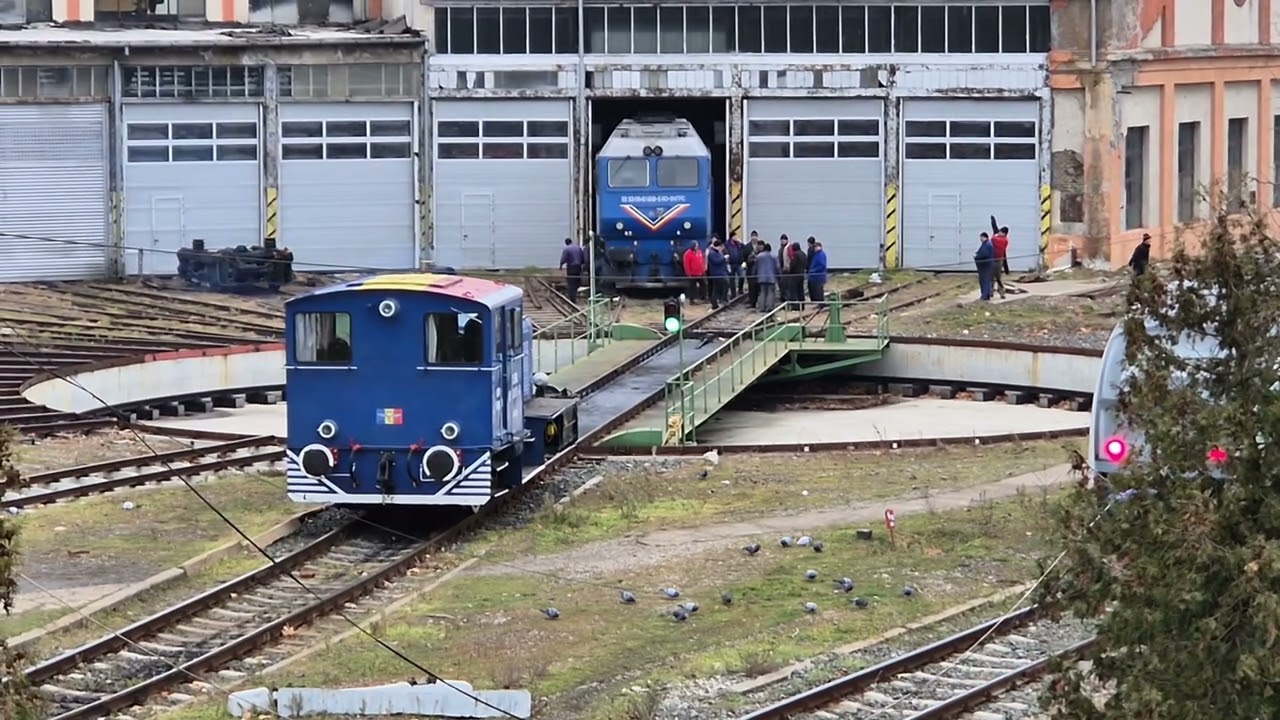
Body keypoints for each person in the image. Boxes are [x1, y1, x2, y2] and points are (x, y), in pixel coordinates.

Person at [558, 237, 586, 303]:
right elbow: (583, 258)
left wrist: (561, 266)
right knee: (576, 282)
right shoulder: (578, 248)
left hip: (571, 267)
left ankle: (572, 298)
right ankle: (574, 296)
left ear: (566, 243)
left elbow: (563, 259)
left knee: (571, 283)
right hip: (578, 267)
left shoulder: (567, 249)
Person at [755, 242, 779, 311]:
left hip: (761, 277)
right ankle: (769, 307)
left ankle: (762, 307)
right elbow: (777, 267)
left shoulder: (759, 256)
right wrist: (778, 275)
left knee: (762, 292)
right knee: (770, 292)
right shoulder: (774, 256)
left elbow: (756, 267)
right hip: (771, 277)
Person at [706, 238, 730, 309]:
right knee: (724, 285)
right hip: (717, 274)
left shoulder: (716, 252)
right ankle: (720, 300)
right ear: (718, 246)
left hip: (720, 273)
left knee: (717, 289)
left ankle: (716, 303)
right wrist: (724, 258)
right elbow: (716, 261)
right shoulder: (712, 253)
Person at [974, 232, 996, 301]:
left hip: (985, 265)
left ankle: (984, 295)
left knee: (984, 280)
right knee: (986, 279)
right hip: (985, 265)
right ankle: (987, 294)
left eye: (981, 237)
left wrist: (977, 256)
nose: (980, 239)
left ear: (985, 237)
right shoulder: (986, 244)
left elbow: (984, 254)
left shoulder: (987, 245)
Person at [989, 223, 1009, 299]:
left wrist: (995, 234)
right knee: (991, 276)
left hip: (998, 260)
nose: (999, 233)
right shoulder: (1001, 238)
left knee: (997, 277)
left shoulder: (1004, 240)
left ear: (1004, 233)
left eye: (1000, 232)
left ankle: (1001, 292)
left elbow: (993, 239)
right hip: (993, 259)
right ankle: (990, 291)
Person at [745, 232, 761, 307]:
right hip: (750, 269)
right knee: (751, 286)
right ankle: (752, 302)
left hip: (759, 270)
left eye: (755, 236)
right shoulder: (747, 247)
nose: (754, 238)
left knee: (758, 287)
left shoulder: (760, 245)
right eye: (753, 236)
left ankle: (758, 300)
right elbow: (744, 257)